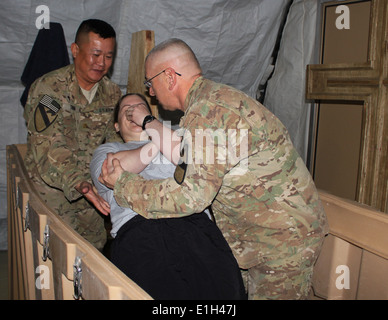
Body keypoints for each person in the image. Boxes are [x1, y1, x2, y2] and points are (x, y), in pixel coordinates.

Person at [99, 38, 329, 299]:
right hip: (259, 236)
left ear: (170, 77)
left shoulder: (209, 114)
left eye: (150, 84)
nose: (151, 92)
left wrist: (124, 184)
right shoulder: (212, 104)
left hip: (281, 239)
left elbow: (191, 196)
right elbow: (188, 162)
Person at [90, 93, 246, 300]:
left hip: (192, 222)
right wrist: (159, 138)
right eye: (126, 110)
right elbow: (112, 170)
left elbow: (195, 160)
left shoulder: (174, 136)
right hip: (139, 229)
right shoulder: (108, 149)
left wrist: (160, 134)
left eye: (139, 107)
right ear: (116, 126)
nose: (133, 112)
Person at [23, 19, 122, 251]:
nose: (102, 63)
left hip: (92, 193)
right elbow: (47, 148)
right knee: (58, 254)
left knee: (92, 254)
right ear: (75, 50)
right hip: (54, 190)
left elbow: (115, 142)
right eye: (95, 54)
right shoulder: (50, 89)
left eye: (109, 56)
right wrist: (80, 182)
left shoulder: (112, 93)